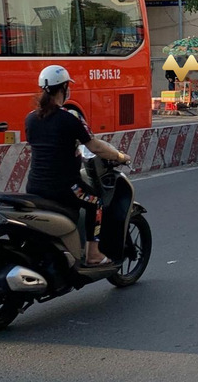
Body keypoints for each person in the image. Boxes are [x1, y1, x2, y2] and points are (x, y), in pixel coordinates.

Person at [25, 65, 132, 267]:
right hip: (65, 188)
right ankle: (93, 254)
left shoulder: (31, 118)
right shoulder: (70, 118)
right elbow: (95, 146)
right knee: (97, 202)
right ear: (64, 87)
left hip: (35, 187)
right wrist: (120, 156)